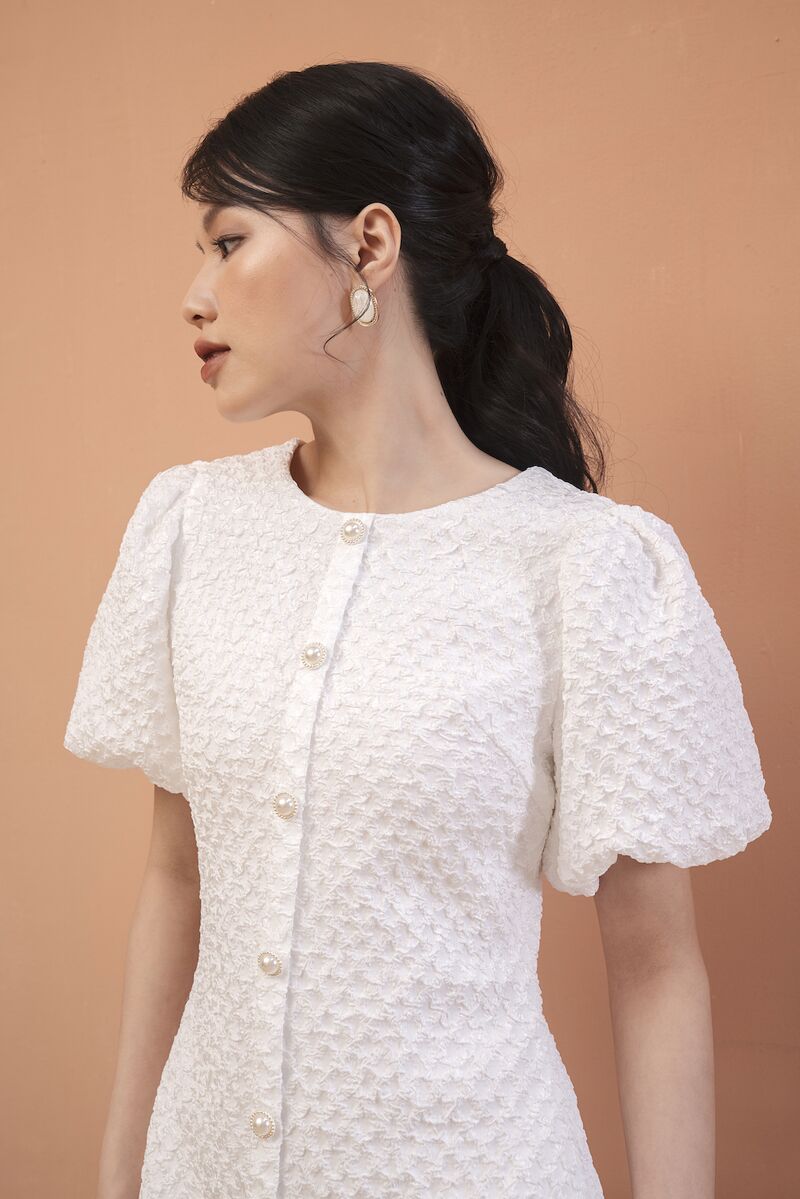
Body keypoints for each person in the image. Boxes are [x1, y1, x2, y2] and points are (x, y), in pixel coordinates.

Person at [63, 61, 772, 1199]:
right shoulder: (192, 528)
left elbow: (654, 970)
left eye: (230, 241)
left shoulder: (582, 565)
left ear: (369, 245)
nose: (195, 295)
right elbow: (177, 883)